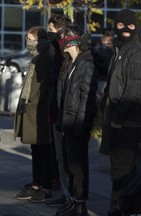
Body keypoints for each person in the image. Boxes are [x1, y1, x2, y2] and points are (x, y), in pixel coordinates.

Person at [100, 9, 141, 216]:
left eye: (130, 26)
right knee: (123, 169)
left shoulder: (136, 52)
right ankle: (123, 207)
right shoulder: (120, 50)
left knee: (125, 170)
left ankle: (123, 208)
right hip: (120, 120)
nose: (125, 30)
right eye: (120, 26)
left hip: (128, 123)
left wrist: (118, 119)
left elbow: (134, 91)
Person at [54, 25, 99, 216]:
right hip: (67, 122)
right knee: (68, 165)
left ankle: (80, 205)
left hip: (77, 123)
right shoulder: (70, 64)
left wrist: (80, 125)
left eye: (62, 37)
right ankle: (73, 200)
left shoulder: (86, 64)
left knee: (77, 166)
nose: (60, 41)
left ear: (72, 40)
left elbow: (86, 99)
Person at [14, 26, 54, 202]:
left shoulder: (44, 57)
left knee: (43, 149)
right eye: (26, 39)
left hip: (38, 110)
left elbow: (44, 85)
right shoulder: (36, 57)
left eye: (30, 39)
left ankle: (44, 186)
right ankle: (37, 184)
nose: (27, 42)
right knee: (35, 148)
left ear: (40, 40)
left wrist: (35, 102)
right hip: (31, 108)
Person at [45, 14, 72, 207]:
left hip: (65, 111)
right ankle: (65, 192)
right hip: (55, 107)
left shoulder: (65, 52)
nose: (49, 34)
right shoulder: (54, 50)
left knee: (67, 156)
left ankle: (72, 196)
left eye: (51, 30)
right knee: (59, 156)